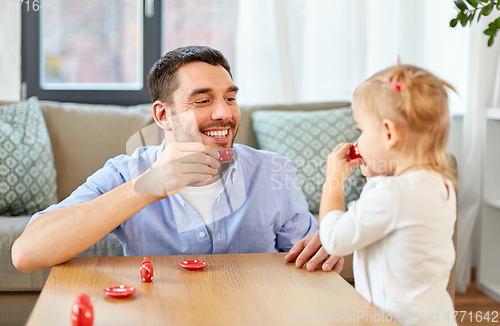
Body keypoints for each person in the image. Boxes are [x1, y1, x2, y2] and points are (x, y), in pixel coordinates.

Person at [12, 46, 342, 274]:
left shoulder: (272, 170)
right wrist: (146, 189)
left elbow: (304, 257)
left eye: (230, 98)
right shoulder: (127, 172)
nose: (224, 113)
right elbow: (28, 253)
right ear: (163, 114)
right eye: (202, 100)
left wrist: (323, 253)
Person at [318, 63, 457, 325]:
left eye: (361, 130)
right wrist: (376, 179)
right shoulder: (441, 186)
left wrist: (333, 180)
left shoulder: (391, 194)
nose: (358, 140)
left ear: (389, 133)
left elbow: (335, 239)